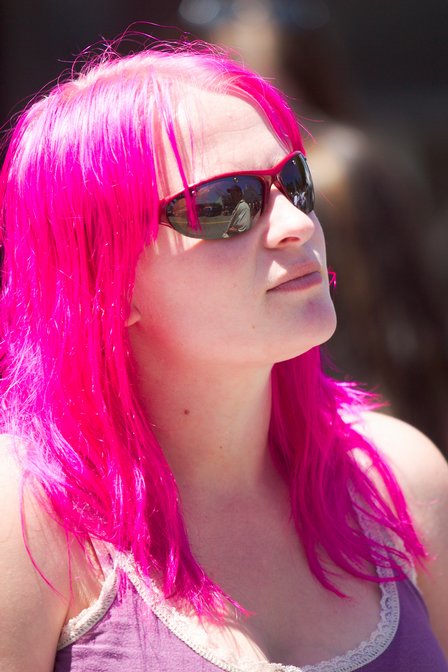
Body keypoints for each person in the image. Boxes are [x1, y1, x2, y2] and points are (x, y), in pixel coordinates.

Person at [0, 39, 447, 672]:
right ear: (106, 282)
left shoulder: (401, 480)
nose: (297, 224)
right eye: (224, 204)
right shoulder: (25, 520)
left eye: (294, 180)